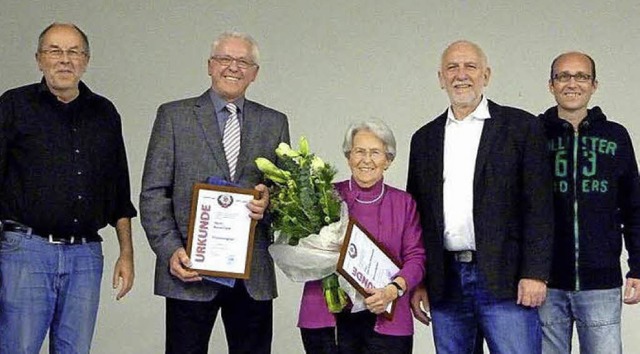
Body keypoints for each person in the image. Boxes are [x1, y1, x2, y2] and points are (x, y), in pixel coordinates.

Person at [140, 31, 289, 354]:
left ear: (255, 73)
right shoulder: (174, 117)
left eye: (243, 61)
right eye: (225, 59)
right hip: (189, 270)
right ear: (209, 66)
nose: (233, 68)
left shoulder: (274, 123)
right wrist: (170, 251)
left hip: (252, 276)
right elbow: (153, 193)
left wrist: (269, 202)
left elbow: (285, 198)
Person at [406, 40, 554, 353]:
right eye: (452, 67)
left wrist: (535, 273)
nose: (461, 75)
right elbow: (415, 216)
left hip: (507, 279)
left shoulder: (520, 127)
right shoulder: (424, 139)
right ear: (440, 78)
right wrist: (419, 280)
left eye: (470, 66)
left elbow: (539, 206)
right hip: (446, 282)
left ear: (486, 75)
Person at [0, 23, 136, 353]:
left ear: (86, 60)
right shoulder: (14, 106)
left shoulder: (104, 113)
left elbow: (119, 189)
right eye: (54, 51)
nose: (64, 60)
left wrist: (127, 254)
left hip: (86, 256)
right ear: (39, 59)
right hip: (26, 251)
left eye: (73, 52)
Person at [538, 51, 640, 353]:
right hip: (545, 284)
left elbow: (634, 207)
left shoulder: (616, 136)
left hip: (601, 283)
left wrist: (637, 266)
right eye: (563, 76)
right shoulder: (533, 134)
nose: (572, 83)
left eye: (581, 76)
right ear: (551, 85)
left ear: (594, 84)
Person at [297, 120, 426, 354]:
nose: (366, 160)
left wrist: (393, 290)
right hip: (326, 315)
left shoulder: (404, 203)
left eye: (375, 152)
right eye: (359, 151)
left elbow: (416, 258)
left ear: (388, 160)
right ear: (348, 157)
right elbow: (300, 249)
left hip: (387, 314)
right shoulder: (325, 196)